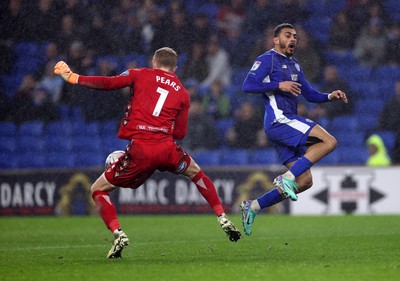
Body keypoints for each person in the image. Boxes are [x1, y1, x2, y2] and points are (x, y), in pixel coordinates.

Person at [54, 47, 241, 258]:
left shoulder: (139, 74)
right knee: (196, 172)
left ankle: (118, 233)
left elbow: (108, 83)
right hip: (166, 148)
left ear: (154, 62)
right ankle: (221, 215)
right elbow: (180, 132)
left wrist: (73, 77)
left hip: (141, 149)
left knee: (98, 189)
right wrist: (160, 129)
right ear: (175, 68)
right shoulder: (183, 92)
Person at [240, 23, 348, 236]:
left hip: (284, 125)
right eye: (288, 35)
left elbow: (309, 94)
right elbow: (248, 85)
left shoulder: (295, 65)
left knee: (305, 181)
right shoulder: (266, 60)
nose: (293, 39)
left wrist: (329, 96)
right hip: (280, 120)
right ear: (276, 40)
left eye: (295, 36)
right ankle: (286, 177)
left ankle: (252, 207)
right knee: (330, 142)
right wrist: (278, 86)